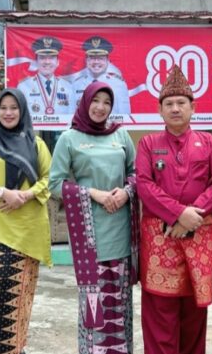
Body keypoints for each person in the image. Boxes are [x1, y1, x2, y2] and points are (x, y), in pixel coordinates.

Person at [136, 65, 212, 354]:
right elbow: (144, 185)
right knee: (160, 313)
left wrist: (191, 216)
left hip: (198, 236)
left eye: (181, 103)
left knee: (193, 313)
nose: (175, 109)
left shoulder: (209, 142)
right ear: (159, 110)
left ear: (193, 107)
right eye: (169, 104)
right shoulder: (148, 144)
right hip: (160, 239)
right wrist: (179, 213)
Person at [48, 81, 136, 354]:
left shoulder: (121, 136)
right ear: (85, 103)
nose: (101, 107)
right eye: (95, 101)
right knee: (94, 306)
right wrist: (93, 193)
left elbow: (136, 174)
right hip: (90, 238)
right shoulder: (69, 139)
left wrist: (126, 192)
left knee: (119, 303)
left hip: (120, 232)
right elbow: (55, 184)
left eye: (107, 102)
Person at [0, 88, 52, 354]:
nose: (8, 113)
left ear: (22, 110)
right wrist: (4, 192)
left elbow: (49, 179)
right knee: (0, 286)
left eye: (14, 107)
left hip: (29, 227)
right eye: (3, 107)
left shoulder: (36, 144)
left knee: (23, 288)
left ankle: (17, 343)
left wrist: (25, 195)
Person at [71, 36, 131, 114]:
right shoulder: (76, 84)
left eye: (101, 58)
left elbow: (125, 115)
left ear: (107, 61)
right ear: (86, 60)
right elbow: (71, 115)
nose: (96, 62)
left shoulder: (119, 84)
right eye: (92, 58)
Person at [17, 35, 74, 115]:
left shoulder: (67, 87)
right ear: (36, 62)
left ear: (57, 62)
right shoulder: (23, 87)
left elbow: (72, 116)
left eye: (51, 58)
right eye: (42, 57)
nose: (47, 62)